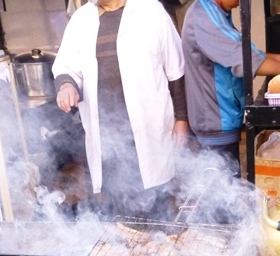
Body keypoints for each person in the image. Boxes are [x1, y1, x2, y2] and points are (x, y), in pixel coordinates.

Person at [52, 0, 189, 219]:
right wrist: (67, 85)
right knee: (116, 204)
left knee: (157, 201)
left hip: (149, 128)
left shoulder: (151, 10)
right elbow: (66, 66)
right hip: (107, 137)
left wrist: (182, 118)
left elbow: (176, 70)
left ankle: (160, 242)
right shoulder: (81, 19)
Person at [181, 0, 280, 174]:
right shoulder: (203, 15)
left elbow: (248, 51)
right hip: (214, 124)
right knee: (221, 195)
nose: (240, 3)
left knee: (229, 190)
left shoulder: (216, 13)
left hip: (223, 121)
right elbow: (242, 59)